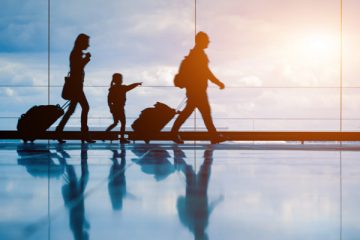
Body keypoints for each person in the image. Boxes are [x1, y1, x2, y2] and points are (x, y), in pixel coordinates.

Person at [171, 32, 226, 144]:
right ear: (201, 41)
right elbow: (206, 72)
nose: (208, 42)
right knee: (205, 112)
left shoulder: (194, 54)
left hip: (194, 90)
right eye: (207, 40)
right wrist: (218, 82)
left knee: (191, 112)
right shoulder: (199, 55)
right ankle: (214, 136)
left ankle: (174, 132)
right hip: (198, 90)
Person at [56, 33, 95, 144]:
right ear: (81, 43)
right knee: (85, 107)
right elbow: (78, 67)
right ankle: (84, 135)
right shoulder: (76, 53)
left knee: (71, 110)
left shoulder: (76, 53)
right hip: (76, 87)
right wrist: (87, 59)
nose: (88, 45)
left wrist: (85, 58)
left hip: (76, 86)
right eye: (87, 43)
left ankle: (59, 132)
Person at [105, 73, 142, 143]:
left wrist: (110, 108)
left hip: (114, 108)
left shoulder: (112, 88)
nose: (122, 80)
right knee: (123, 123)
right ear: (119, 80)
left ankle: (105, 134)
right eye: (121, 79)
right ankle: (122, 138)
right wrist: (137, 84)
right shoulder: (122, 88)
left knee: (115, 122)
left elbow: (109, 100)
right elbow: (130, 87)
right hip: (120, 108)